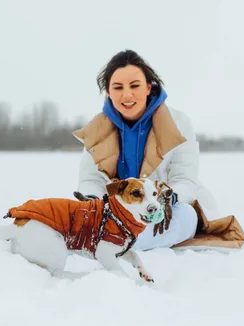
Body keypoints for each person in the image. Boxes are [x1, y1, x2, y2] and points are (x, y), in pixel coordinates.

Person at [71, 49, 220, 251]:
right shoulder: (97, 129)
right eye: (118, 87)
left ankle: (109, 242)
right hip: (118, 212)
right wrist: (91, 201)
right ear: (108, 91)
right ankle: (110, 239)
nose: (127, 94)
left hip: (166, 211)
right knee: (78, 218)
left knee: (187, 217)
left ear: (148, 87)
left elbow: (185, 179)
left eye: (134, 86)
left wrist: (167, 197)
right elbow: (92, 179)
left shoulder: (179, 123)